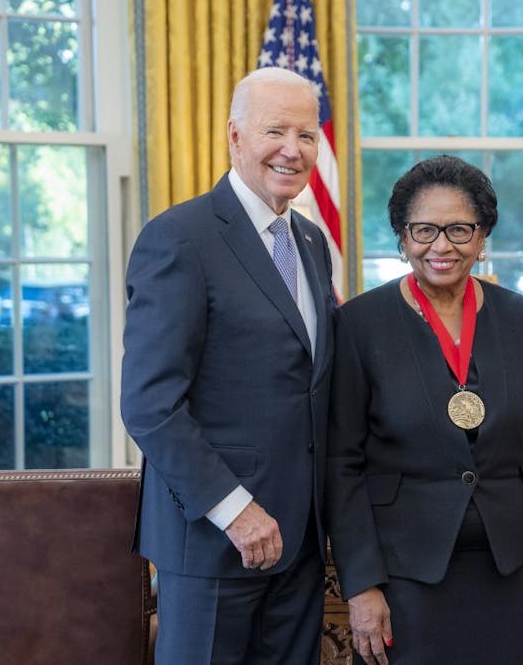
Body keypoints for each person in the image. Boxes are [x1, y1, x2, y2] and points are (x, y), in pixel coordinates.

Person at [121, 67, 337, 664]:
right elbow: (149, 404)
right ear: (234, 136)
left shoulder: (312, 243)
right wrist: (236, 511)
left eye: (307, 134)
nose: (293, 150)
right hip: (214, 542)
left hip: (300, 541)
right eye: (275, 131)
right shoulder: (179, 238)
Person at [325, 155, 523, 665]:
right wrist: (361, 582)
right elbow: (342, 464)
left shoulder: (522, 319)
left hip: (512, 565)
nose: (441, 245)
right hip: (406, 570)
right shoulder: (360, 325)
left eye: (459, 229)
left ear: (482, 237)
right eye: (424, 229)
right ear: (402, 237)